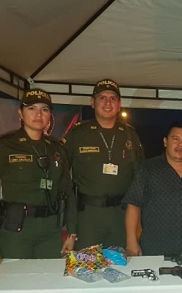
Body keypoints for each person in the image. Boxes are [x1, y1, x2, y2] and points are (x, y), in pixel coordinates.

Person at [0, 89, 75, 265]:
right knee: (13, 286)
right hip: (15, 232)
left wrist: (72, 232)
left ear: (50, 115)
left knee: (46, 283)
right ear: (21, 113)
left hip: (49, 232)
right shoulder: (5, 145)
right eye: (31, 108)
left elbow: (68, 192)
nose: (38, 114)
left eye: (44, 109)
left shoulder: (57, 149)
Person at [62, 79, 144, 250]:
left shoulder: (130, 135)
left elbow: (140, 180)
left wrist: (137, 225)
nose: (108, 103)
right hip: (88, 216)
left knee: (120, 267)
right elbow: (62, 177)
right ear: (92, 102)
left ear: (119, 104)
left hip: (121, 217)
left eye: (113, 98)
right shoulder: (78, 133)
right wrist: (70, 226)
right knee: (87, 269)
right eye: (102, 98)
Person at [124, 122, 182, 256]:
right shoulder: (148, 169)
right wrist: (131, 242)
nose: (180, 145)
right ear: (165, 141)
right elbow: (133, 205)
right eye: (175, 139)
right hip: (154, 248)